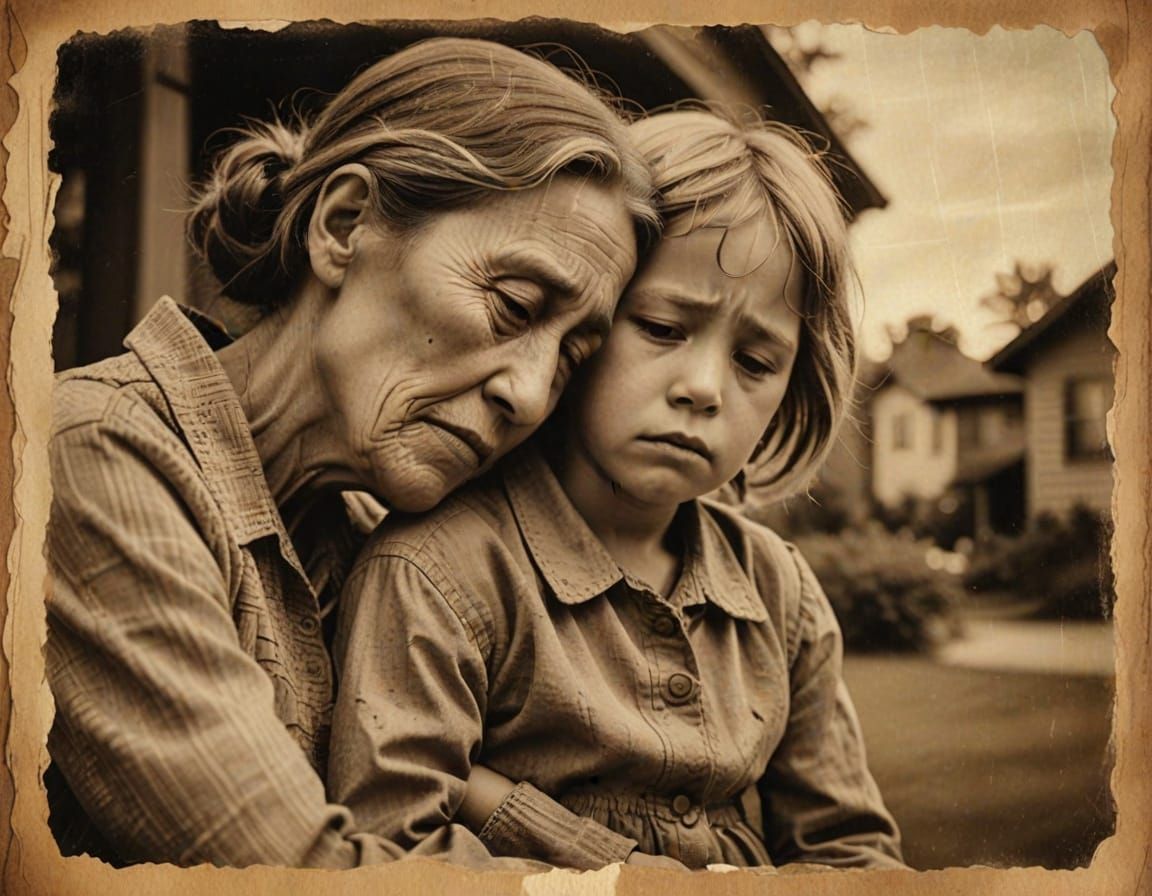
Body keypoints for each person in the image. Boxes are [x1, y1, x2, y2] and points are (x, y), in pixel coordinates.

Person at [45, 37, 657, 869]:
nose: (531, 393)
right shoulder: (91, 456)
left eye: (573, 357)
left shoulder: (376, 544)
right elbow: (304, 875)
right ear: (344, 226)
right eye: (514, 305)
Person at [328, 107, 905, 871]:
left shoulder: (780, 595)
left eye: (756, 362)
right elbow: (398, 852)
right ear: (583, 320)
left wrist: (501, 804)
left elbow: (855, 854)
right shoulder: (442, 572)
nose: (702, 389)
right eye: (663, 327)